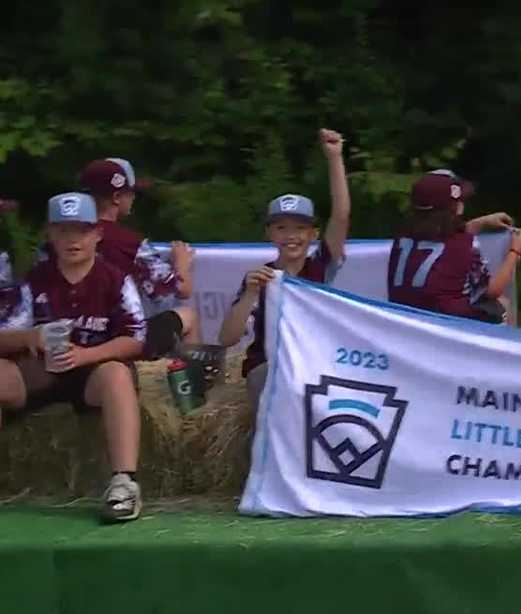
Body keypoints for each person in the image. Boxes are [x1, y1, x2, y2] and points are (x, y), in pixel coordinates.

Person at [0, 193, 147, 522]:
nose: (72, 240)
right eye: (63, 231)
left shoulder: (116, 280)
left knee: (117, 374)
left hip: (93, 372)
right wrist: (28, 337)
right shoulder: (33, 280)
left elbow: (136, 338)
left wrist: (86, 355)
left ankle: (124, 483)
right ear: (50, 235)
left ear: (97, 234)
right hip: (40, 369)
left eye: (80, 231)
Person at [218, 129, 351, 405]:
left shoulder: (320, 268)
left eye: (300, 228)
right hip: (267, 369)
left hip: (313, 365)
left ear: (314, 233)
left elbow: (341, 215)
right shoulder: (260, 278)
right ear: (269, 234)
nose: (291, 236)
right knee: (269, 378)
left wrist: (335, 159)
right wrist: (250, 294)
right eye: (281, 228)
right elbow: (227, 339)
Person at [77, 158, 198, 358]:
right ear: (117, 197)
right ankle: (192, 385)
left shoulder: (61, 239)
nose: (133, 197)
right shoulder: (130, 244)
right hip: (117, 339)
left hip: (73, 335)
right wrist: (182, 265)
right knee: (189, 316)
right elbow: (180, 290)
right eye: (130, 192)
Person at [387, 170, 521, 322]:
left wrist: (478, 223)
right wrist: (515, 251)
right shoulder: (465, 244)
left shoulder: (401, 238)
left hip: (403, 319)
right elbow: (492, 290)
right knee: (501, 304)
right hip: (446, 324)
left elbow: (443, 240)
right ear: (456, 207)